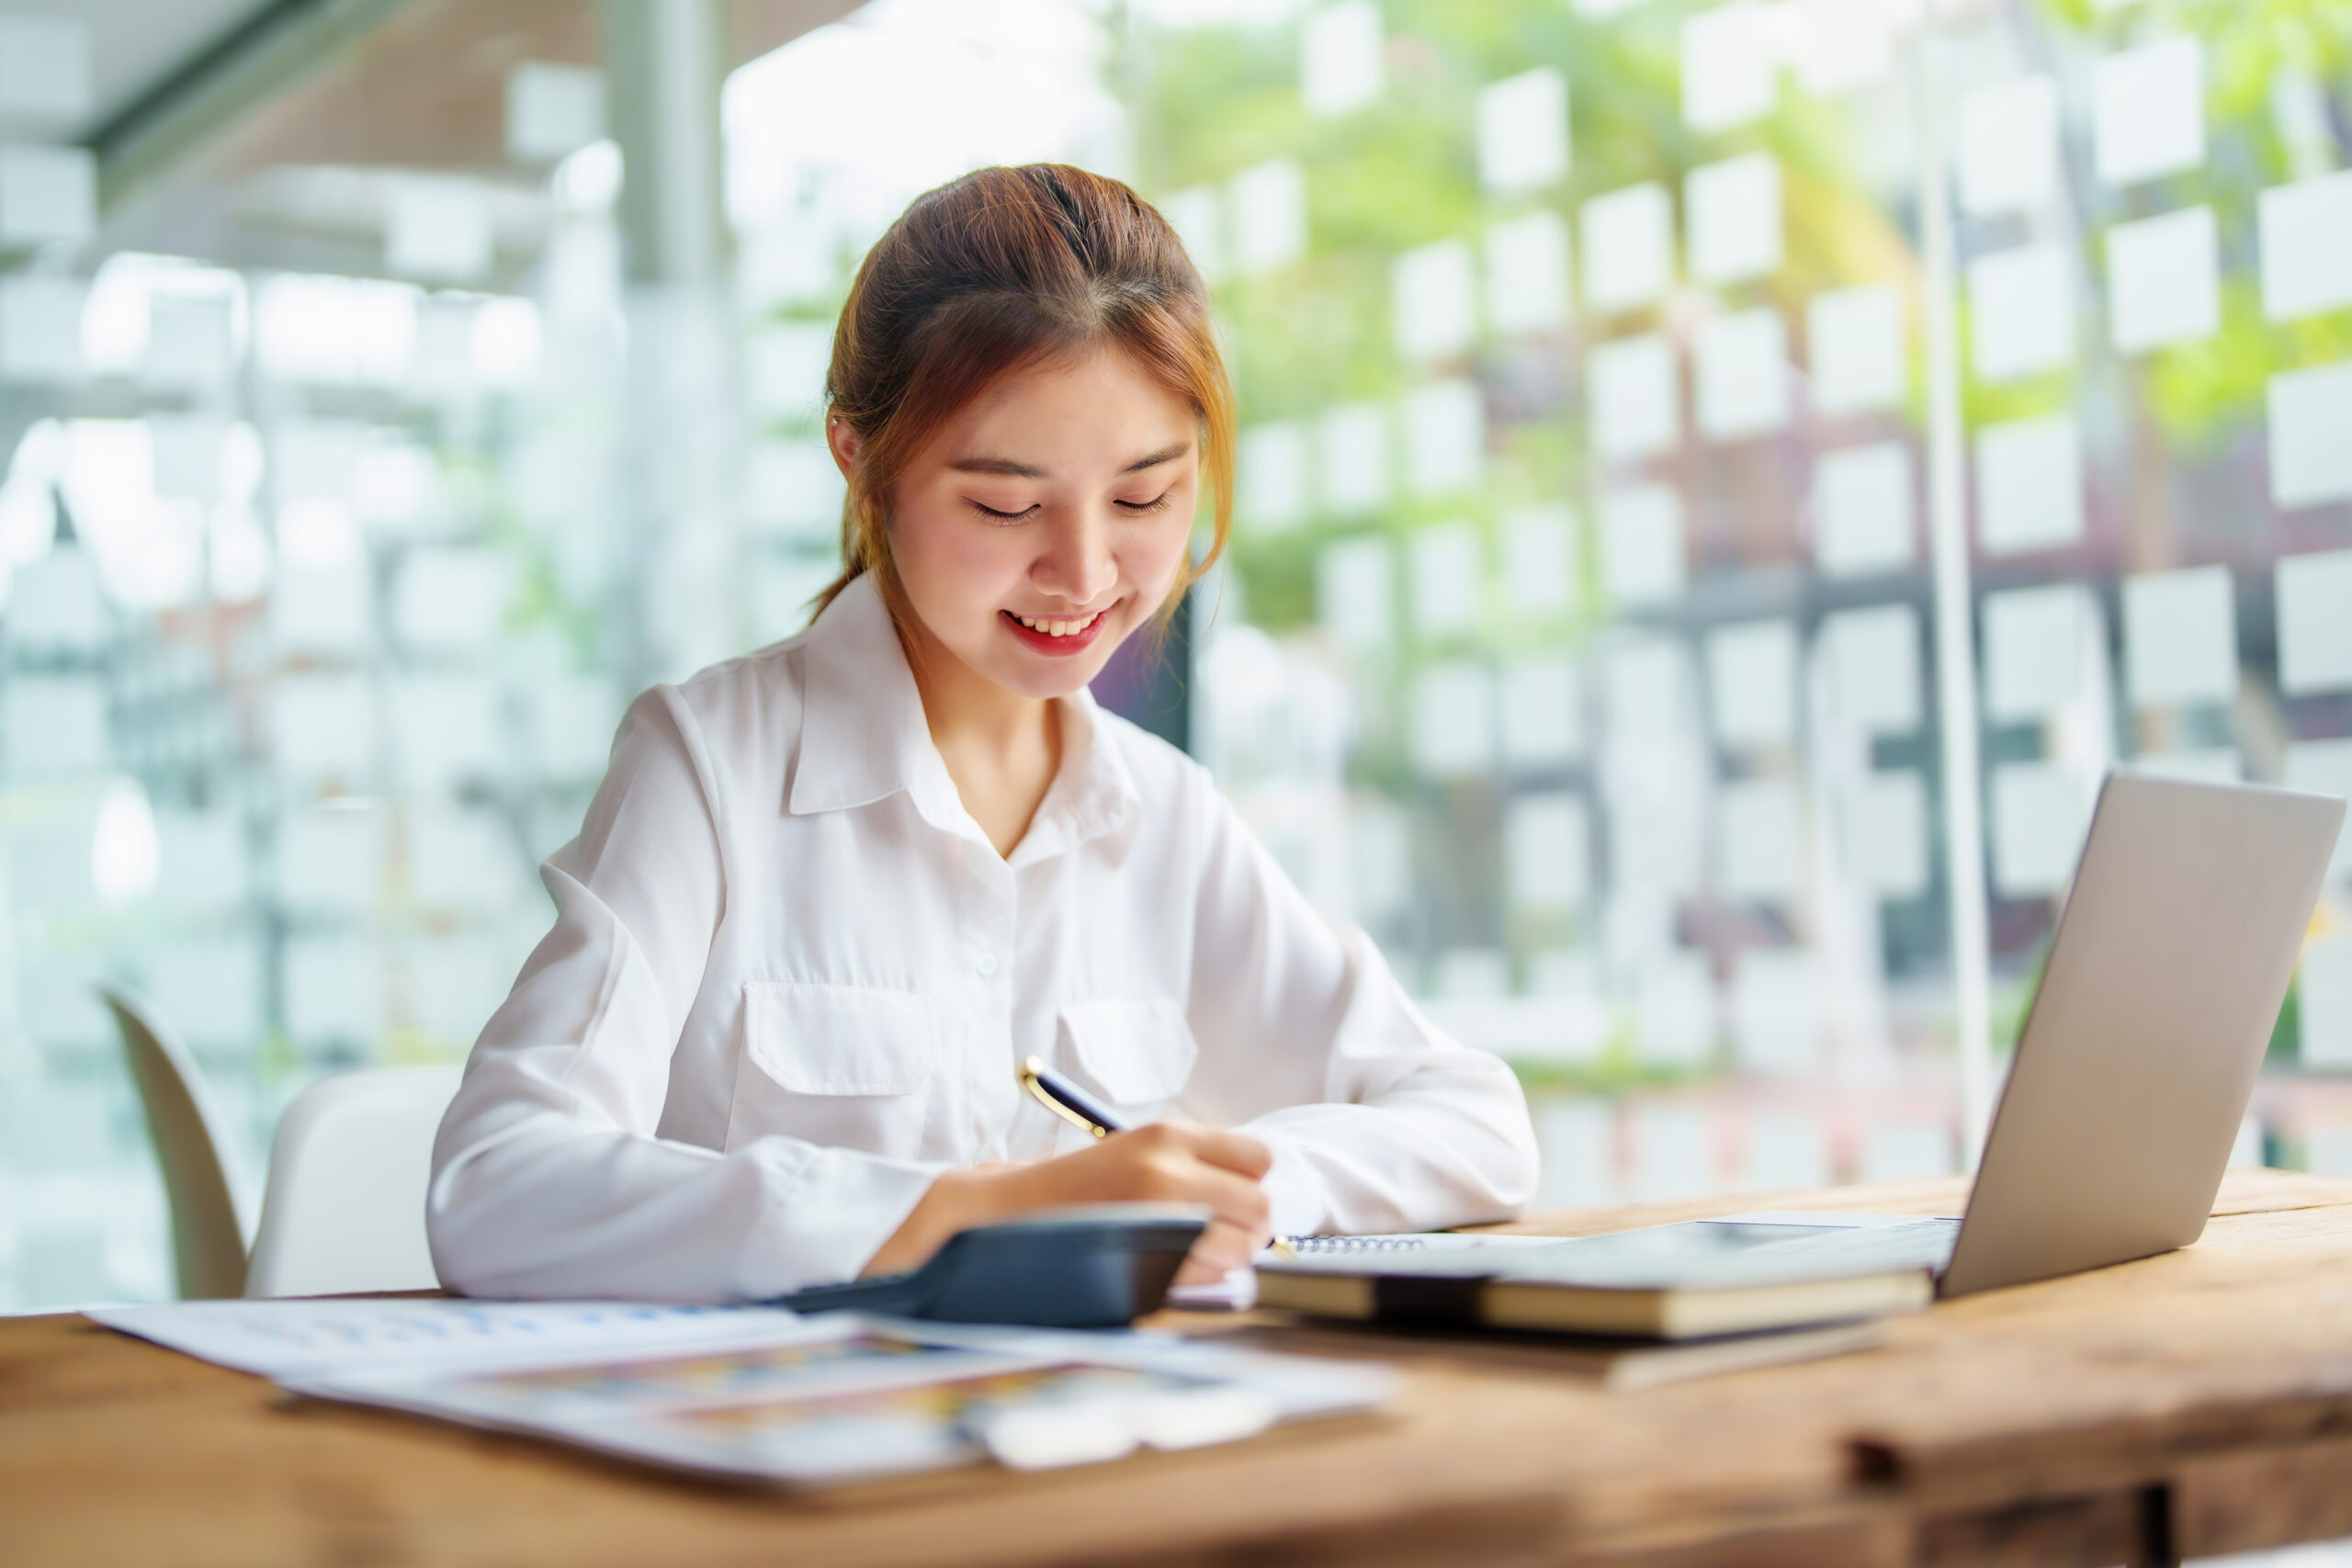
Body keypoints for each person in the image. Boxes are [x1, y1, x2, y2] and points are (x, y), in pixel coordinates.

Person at [427, 164, 1538, 1301]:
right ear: (861, 459)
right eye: (1006, 506)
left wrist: (1215, 1192)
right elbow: (498, 1186)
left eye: (1146, 497)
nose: (1086, 572)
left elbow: (1474, 1123)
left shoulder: (1162, 816)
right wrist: (982, 1212)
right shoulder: (713, 765)